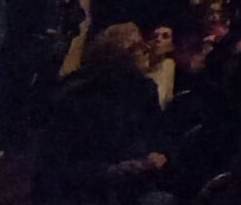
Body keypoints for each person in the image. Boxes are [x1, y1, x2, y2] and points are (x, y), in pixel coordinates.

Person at [34, 23, 171, 205]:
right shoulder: (77, 98)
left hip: (135, 185)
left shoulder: (144, 90)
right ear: (115, 58)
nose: (146, 50)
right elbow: (57, 166)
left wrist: (157, 153)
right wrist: (111, 171)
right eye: (134, 48)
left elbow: (158, 133)